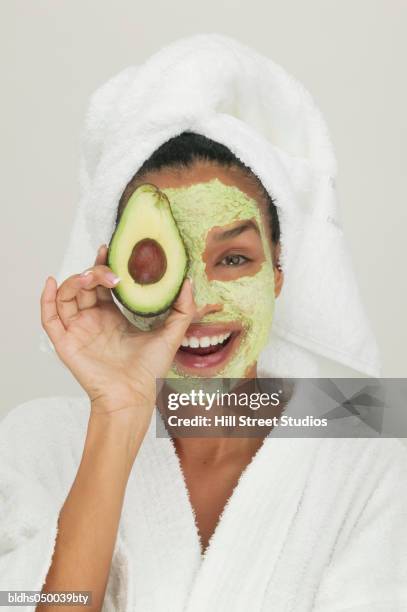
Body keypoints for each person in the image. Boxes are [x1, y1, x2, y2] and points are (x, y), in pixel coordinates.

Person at [1, 35, 406, 612]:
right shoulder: (39, 441)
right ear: (115, 272)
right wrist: (117, 417)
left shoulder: (373, 445)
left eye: (234, 259)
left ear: (279, 275)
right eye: (161, 262)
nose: (199, 302)